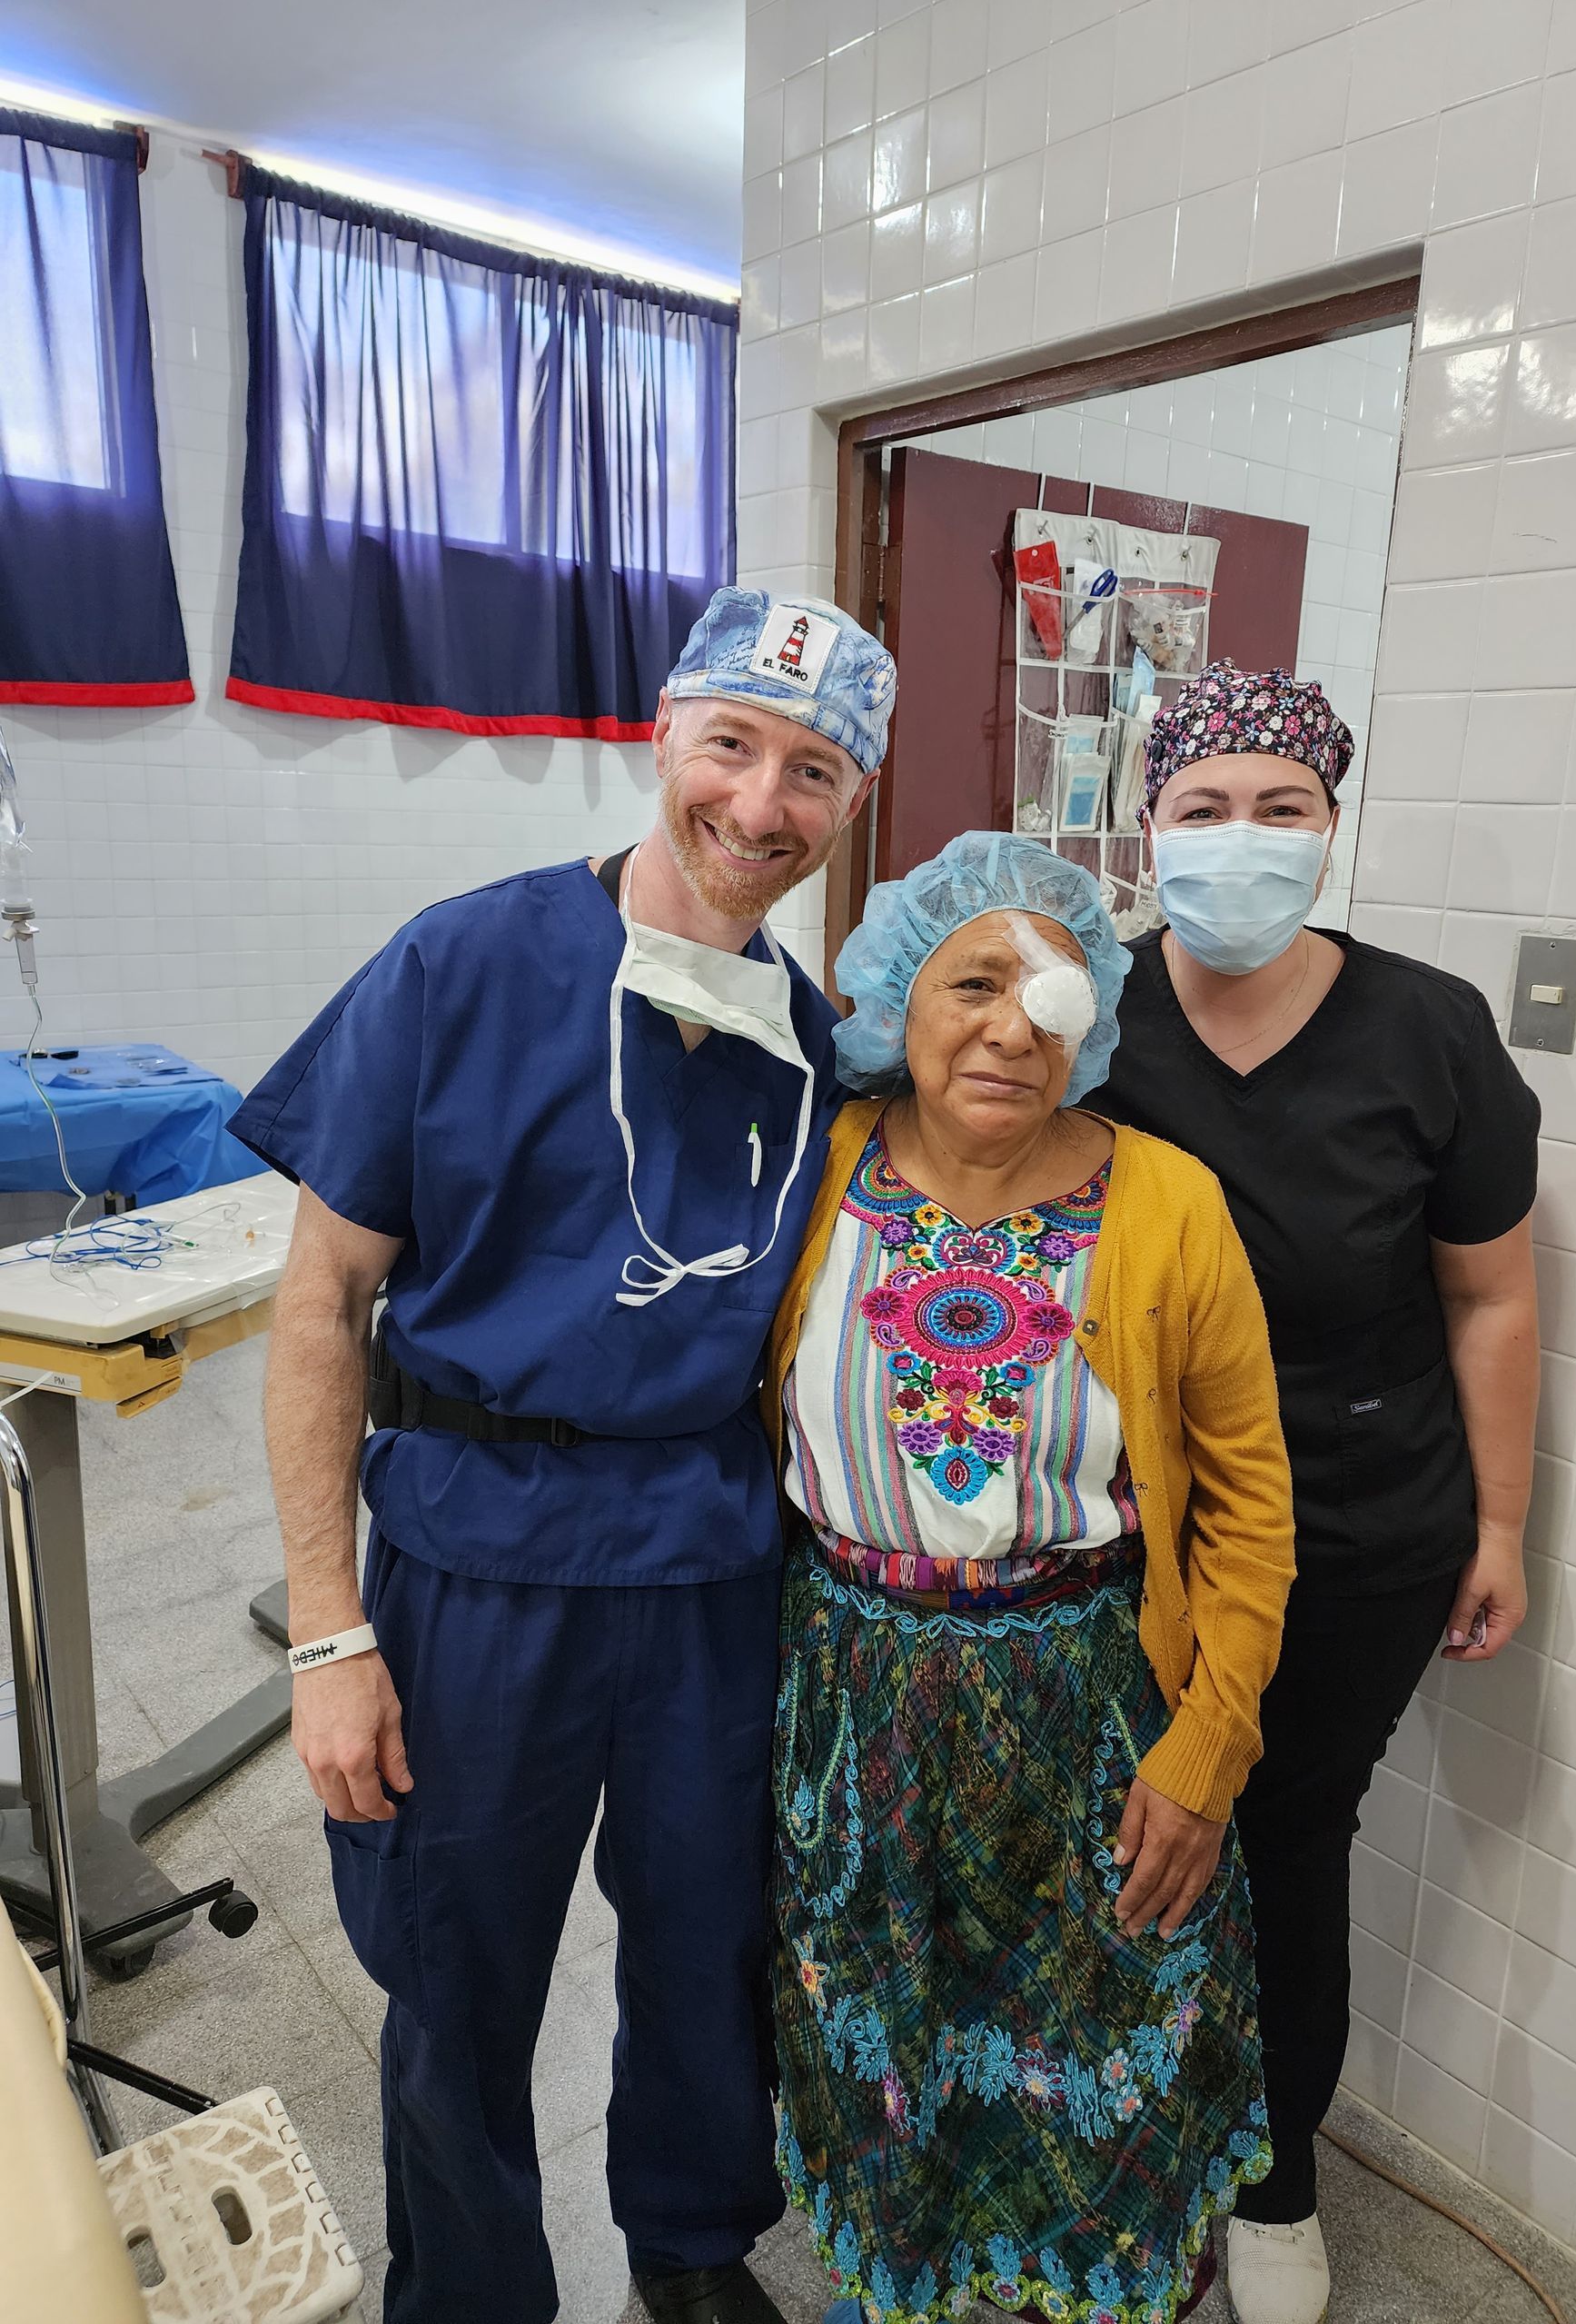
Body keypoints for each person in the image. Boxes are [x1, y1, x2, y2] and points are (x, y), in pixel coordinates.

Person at [230, 588, 896, 2324]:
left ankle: (685, 2247)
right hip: (476, 1558)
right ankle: (466, 2291)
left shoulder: (814, 1046)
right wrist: (325, 1627)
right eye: (734, 745)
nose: (761, 805)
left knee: (705, 1939)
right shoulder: (464, 965)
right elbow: (320, 1309)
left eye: (815, 771)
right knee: (458, 1968)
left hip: (706, 1568)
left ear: (851, 807)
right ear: (661, 733)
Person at [761, 832, 1298, 2324]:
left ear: (1093, 1021)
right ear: (894, 1001)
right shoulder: (820, 1172)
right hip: (852, 1703)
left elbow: (1250, 1508)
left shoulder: (1171, 1204)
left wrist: (1208, 1749)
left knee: (1107, 2044)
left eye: (1048, 990)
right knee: (886, 2037)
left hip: (1097, 1701)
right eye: (970, 981)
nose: (1011, 1022)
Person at [1099, 661, 1541, 2324]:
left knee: (1286, 1837)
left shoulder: (1426, 1028)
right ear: (1149, 828)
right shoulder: (1086, 1011)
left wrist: (1498, 1523)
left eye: (1280, 812)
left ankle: (1275, 2178)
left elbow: (1490, 1298)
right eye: (1203, 809)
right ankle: (1118, 2140)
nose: (1241, 841)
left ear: (1330, 830)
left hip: (1361, 1521)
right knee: (1122, 1830)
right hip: (1126, 1522)